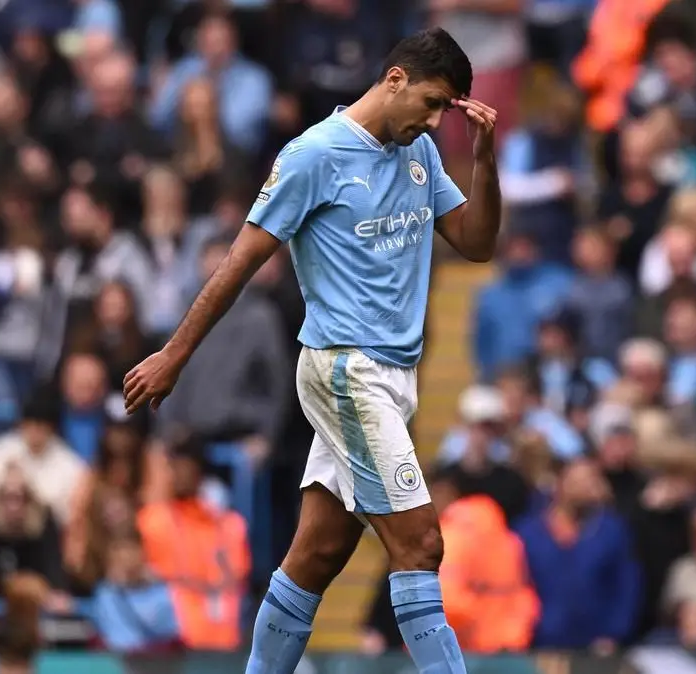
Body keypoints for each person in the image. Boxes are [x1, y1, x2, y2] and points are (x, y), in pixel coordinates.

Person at [124, 27, 500, 674]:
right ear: (395, 80)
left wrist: (485, 159)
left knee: (317, 556)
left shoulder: (420, 150)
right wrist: (173, 356)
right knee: (420, 544)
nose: (437, 120)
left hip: (393, 377)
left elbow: (476, 242)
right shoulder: (313, 155)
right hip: (347, 370)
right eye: (433, 103)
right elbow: (239, 263)